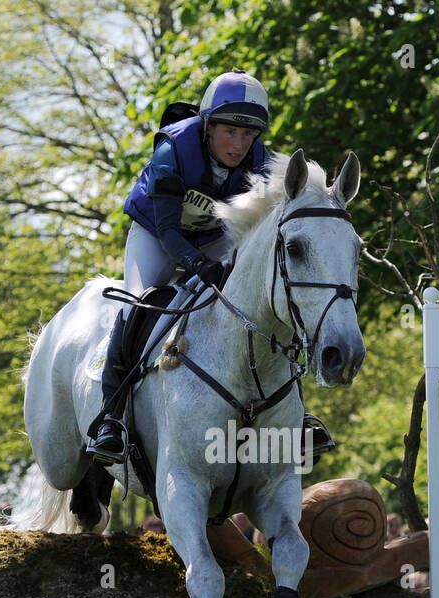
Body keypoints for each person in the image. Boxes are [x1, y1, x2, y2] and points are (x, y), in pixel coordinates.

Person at [86, 70, 332, 466]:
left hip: (213, 237)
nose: (239, 145)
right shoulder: (174, 149)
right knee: (137, 306)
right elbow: (168, 230)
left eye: (248, 134)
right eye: (230, 132)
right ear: (207, 126)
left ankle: (297, 416)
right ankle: (111, 420)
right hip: (157, 235)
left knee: (264, 304)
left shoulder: (258, 160)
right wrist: (199, 265)